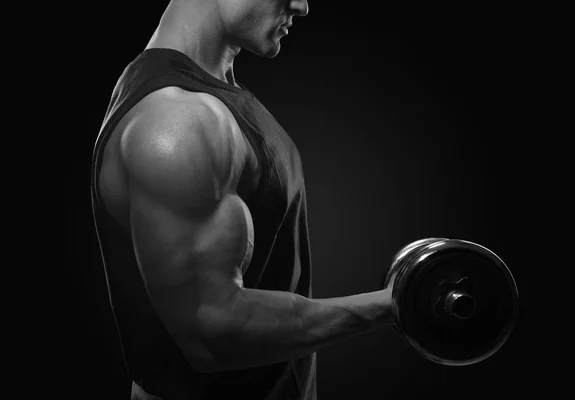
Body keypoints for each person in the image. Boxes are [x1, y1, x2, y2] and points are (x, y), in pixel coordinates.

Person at [91, 0, 395, 398]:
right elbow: (212, 332)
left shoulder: (210, 94)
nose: (301, 5)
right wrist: (390, 306)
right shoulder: (179, 122)